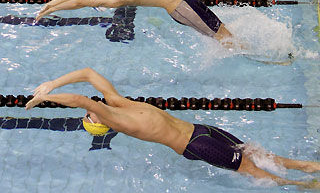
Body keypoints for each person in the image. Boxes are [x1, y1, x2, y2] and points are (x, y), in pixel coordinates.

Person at [26, 67, 320, 189]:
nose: (90, 112)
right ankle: (303, 187)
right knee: (251, 169)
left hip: (202, 129)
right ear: (99, 124)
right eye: (89, 117)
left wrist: (54, 82)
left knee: (254, 153)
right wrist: (47, 96)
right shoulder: (114, 118)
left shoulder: (118, 103)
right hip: (198, 145)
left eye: (88, 114)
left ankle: (308, 167)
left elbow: (88, 73)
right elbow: (79, 99)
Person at [35, 0, 233, 46]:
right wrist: (51, 10)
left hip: (188, 0)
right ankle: (253, 57)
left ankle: (243, 48)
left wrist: (51, 3)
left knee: (224, 32)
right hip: (181, 9)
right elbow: (80, 2)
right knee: (223, 38)